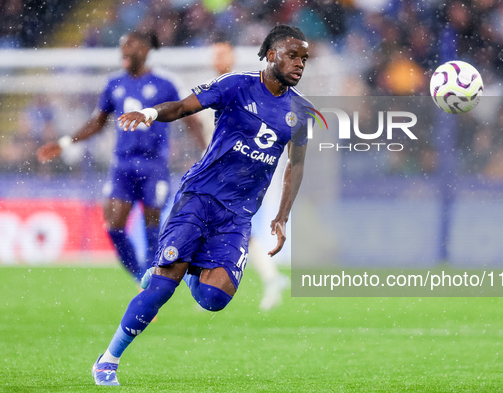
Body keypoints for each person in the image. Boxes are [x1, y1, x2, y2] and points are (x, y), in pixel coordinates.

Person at [91, 25, 310, 386]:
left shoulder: (300, 113)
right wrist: (149, 113)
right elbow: (180, 107)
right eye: (292, 55)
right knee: (162, 287)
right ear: (271, 55)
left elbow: (297, 164)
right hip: (200, 196)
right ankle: (108, 359)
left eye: (304, 58)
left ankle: (180, 266)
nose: (299, 63)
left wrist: (282, 216)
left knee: (214, 298)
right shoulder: (235, 84)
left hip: (238, 214)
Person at [37, 31, 205, 284]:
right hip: (122, 164)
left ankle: (149, 283)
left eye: (130, 46)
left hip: (154, 164)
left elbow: (190, 118)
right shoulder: (113, 83)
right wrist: (65, 142)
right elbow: (98, 121)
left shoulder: (166, 82)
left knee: (151, 226)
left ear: (146, 49)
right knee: (113, 225)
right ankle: (141, 276)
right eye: (122, 46)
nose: (124, 51)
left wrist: (204, 153)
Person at [206, 41, 290, 311]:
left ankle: (213, 285)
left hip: (242, 171)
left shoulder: (244, 87)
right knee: (231, 229)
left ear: (232, 56)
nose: (218, 58)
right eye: (215, 54)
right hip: (221, 170)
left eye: (223, 53)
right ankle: (213, 285)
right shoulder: (215, 86)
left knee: (233, 228)